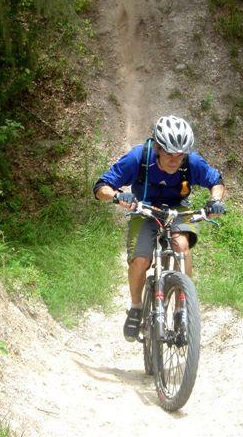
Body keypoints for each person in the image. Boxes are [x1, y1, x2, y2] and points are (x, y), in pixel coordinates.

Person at [93, 115, 226, 342]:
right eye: (169, 154)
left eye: (180, 155)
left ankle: (183, 307)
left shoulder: (191, 162)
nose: (175, 160)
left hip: (177, 209)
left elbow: (216, 181)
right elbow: (100, 187)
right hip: (143, 208)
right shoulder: (139, 157)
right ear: (157, 147)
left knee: (181, 245)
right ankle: (136, 307)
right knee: (141, 260)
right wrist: (117, 196)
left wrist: (215, 201)